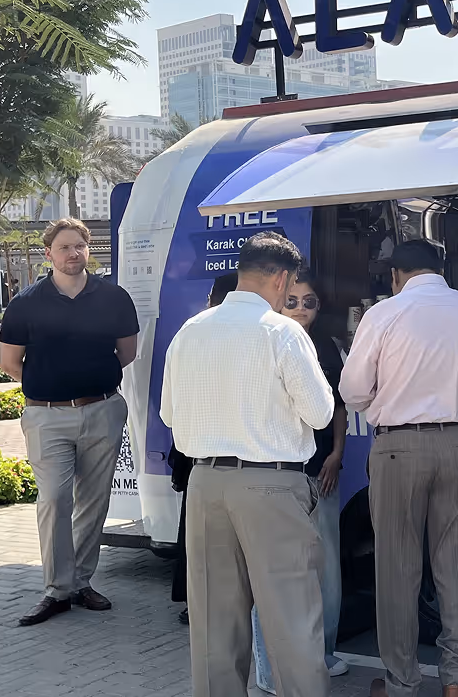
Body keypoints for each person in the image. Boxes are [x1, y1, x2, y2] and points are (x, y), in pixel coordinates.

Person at [161, 232, 335, 697]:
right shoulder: (283, 332)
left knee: (214, 623)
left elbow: (169, 417)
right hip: (271, 486)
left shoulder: (191, 330)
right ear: (283, 278)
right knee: (291, 619)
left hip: (204, 484)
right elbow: (319, 414)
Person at [339, 239, 458, 697]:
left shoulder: (383, 314)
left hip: (397, 449)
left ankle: (401, 682)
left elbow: (352, 390)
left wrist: (388, 395)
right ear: (441, 269)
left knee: (397, 568)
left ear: (395, 275)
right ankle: (457, 681)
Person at [0, 217, 139, 627]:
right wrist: (50, 384)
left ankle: (80, 582)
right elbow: (9, 362)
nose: (73, 253)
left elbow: (125, 353)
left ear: (87, 249)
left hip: (103, 410)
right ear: (49, 254)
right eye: (64, 247)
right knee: (55, 500)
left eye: (79, 246)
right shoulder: (26, 303)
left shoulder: (114, 298)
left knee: (94, 501)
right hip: (47, 415)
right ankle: (56, 590)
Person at [252, 268, 351, 691]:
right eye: (292, 300)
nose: (300, 309)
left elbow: (340, 408)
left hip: (322, 473)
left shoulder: (326, 346)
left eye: (309, 301)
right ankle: (269, 667)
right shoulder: (265, 341)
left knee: (327, 572)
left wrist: (336, 455)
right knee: (275, 573)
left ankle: (323, 654)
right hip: (278, 473)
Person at [171, 272, 240, 627]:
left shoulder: (191, 332)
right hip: (250, 462)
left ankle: (196, 604)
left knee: (200, 541)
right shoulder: (265, 331)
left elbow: (171, 409)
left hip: (200, 456)